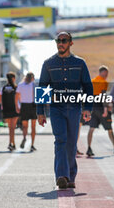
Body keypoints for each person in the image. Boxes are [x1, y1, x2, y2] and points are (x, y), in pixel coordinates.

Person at [37, 32, 93, 189]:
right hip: (57, 109)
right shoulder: (48, 64)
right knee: (60, 140)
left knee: (71, 143)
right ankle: (62, 176)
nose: (60, 43)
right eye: (58, 41)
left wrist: (87, 108)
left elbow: (88, 86)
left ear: (70, 43)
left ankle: (71, 175)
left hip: (75, 108)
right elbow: (42, 87)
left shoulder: (80, 63)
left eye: (64, 41)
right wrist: (40, 112)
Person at [86, 65, 114, 156]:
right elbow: (103, 96)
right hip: (100, 107)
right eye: (105, 73)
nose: (106, 75)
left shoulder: (92, 81)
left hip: (92, 107)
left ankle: (89, 148)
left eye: (107, 73)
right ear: (101, 72)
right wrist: (105, 109)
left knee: (91, 128)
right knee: (109, 129)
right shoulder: (103, 82)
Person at [15, 72, 38, 152]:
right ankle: (32, 145)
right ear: (32, 78)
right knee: (33, 127)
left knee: (25, 126)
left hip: (24, 106)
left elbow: (16, 96)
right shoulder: (34, 85)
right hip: (33, 106)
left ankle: (24, 138)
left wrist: (17, 106)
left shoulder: (20, 85)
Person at [2, 72, 19, 151]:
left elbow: (1, 100)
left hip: (6, 109)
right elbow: (18, 99)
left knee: (10, 128)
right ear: (13, 78)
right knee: (13, 128)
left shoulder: (4, 88)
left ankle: (12, 143)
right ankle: (11, 143)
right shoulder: (16, 87)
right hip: (14, 109)